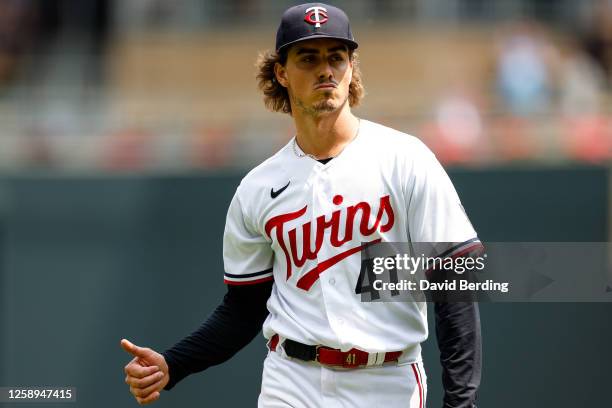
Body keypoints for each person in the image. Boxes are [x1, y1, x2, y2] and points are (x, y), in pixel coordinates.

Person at [121, 3, 482, 407]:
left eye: (336, 57)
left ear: (351, 67)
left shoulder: (404, 159)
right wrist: (174, 364)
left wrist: (460, 404)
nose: (325, 70)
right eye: (308, 58)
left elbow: (455, 281)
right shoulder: (258, 188)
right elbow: (243, 309)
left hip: (387, 381)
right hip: (291, 380)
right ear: (281, 72)